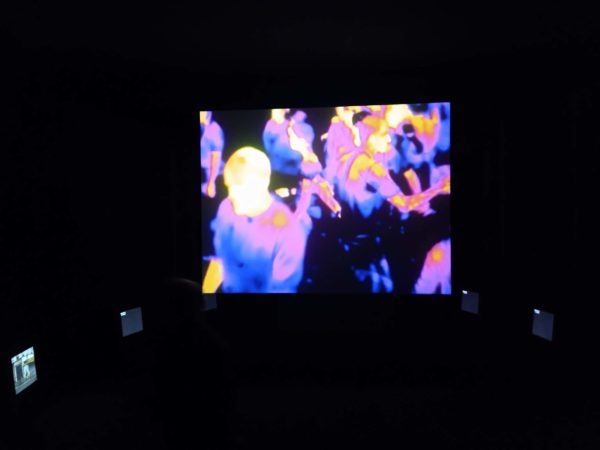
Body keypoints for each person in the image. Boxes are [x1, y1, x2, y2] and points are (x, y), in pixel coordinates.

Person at [203, 146, 338, 294]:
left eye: (239, 188)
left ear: (261, 184)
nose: (232, 195)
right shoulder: (226, 208)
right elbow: (220, 261)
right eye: (229, 187)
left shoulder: (289, 232)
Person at [200, 110, 224, 198]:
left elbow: (216, 157)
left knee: (210, 193)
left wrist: (211, 182)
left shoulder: (214, 130)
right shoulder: (201, 127)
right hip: (204, 168)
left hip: (209, 170)